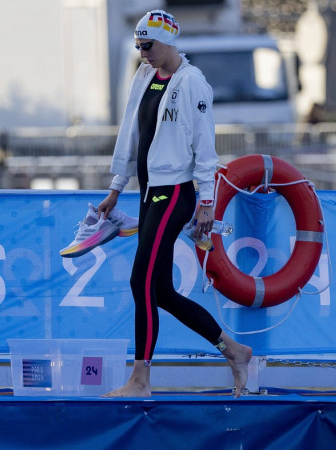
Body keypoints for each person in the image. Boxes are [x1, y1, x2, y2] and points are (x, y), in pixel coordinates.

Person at [96, 9, 252, 398]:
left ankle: (141, 380)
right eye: (138, 46)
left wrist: (206, 202)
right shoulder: (145, 74)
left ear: (167, 40)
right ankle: (233, 350)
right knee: (160, 290)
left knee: (140, 281)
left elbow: (205, 148)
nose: (142, 52)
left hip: (176, 194)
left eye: (147, 45)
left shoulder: (192, 83)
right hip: (150, 193)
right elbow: (132, 132)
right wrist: (116, 186)